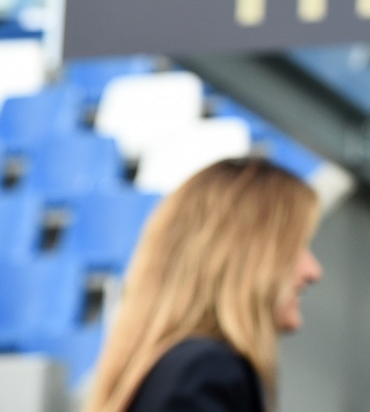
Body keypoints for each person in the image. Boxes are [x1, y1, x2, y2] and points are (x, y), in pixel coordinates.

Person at [85, 157, 323, 412]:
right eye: (297, 246)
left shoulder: (176, 370)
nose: (314, 271)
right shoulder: (207, 372)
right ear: (242, 255)